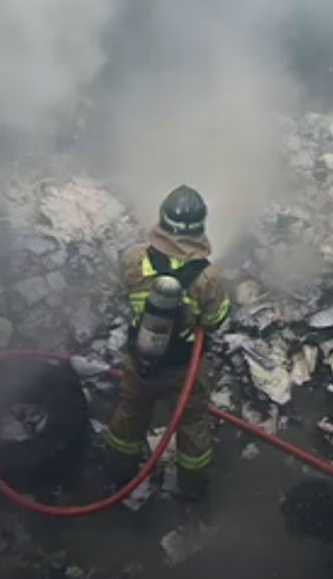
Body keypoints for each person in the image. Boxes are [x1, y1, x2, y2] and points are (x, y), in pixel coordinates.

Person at [106, 185, 230, 500]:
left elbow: (125, 293)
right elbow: (215, 321)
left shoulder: (136, 259)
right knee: (192, 425)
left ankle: (118, 472)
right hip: (183, 370)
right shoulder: (208, 277)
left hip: (139, 362)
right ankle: (193, 488)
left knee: (131, 415)